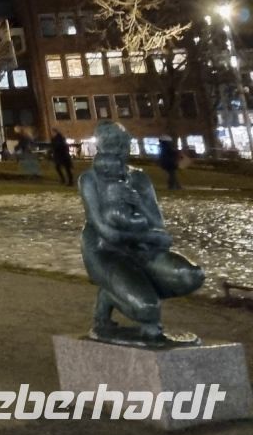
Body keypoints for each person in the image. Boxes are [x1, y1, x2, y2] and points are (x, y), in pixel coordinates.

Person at [79, 122, 203, 344]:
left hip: (142, 249)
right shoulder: (90, 179)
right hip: (105, 252)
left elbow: (157, 222)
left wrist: (140, 206)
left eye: (122, 144)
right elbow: (107, 232)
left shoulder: (138, 178)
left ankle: (130, 287)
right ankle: (117, 294)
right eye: (113, 145)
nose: (119, 150)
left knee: (190, 276)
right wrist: (150, 237)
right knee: (147, 309)